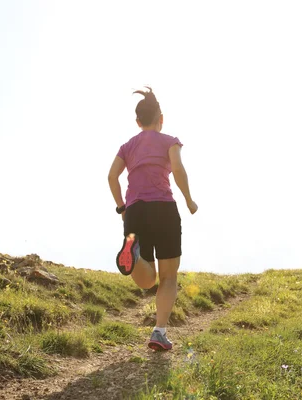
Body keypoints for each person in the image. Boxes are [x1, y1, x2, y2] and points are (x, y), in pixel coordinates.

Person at [107, 87, 198, 351]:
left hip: (135, 212)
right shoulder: (170, 141)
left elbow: (112, 177)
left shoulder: (127, 146)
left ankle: (133, 255)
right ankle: (159, 332)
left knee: (146, 279)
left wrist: (122, 208)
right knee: (168, 277)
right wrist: (189, 200)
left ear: (138, 122)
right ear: (161, 118)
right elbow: (178, 170)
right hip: (164, 209)